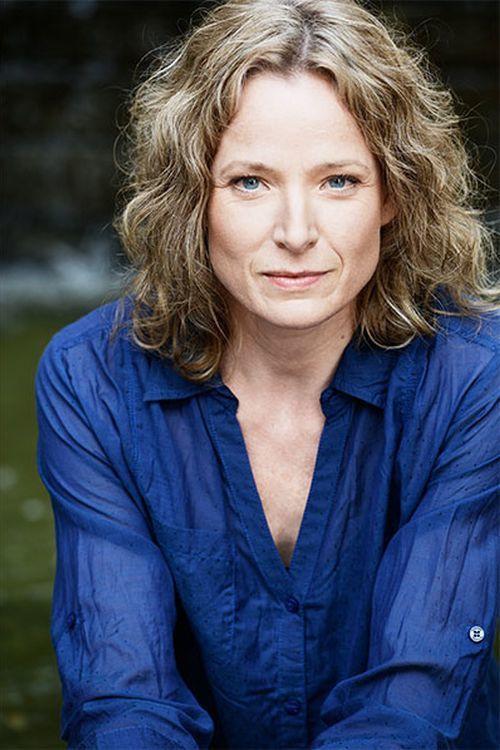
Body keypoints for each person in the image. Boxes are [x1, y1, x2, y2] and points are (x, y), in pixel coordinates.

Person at [35, 0, 499, 748]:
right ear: (193, 198)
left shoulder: (475, 378)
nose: (296, 232)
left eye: (339, 181)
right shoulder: (90, 379)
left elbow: (412, 698)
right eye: (250, 182)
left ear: (394, 194)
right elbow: (124, 696)